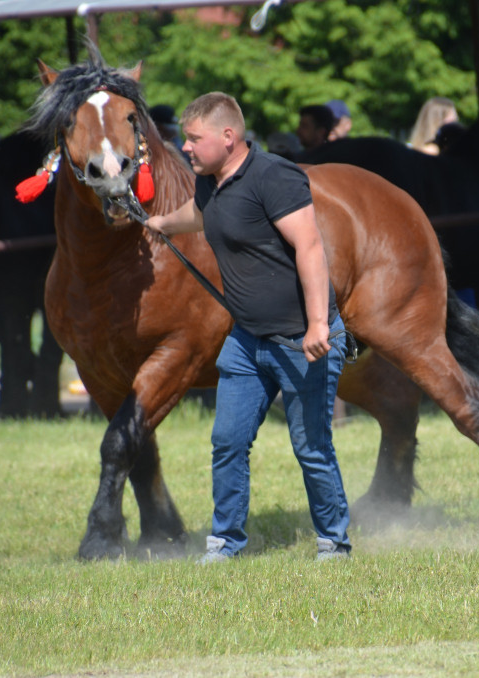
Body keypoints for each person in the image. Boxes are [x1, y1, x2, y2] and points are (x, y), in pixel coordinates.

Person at [146, 91, 352, 563]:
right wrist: (162, 222)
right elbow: (202, 216)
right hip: (246, 340)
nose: (187, 148)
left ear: (228, 136)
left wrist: (318, 323)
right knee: (227, 441)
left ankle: (334, 542)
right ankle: (225, 543)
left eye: (195, 139)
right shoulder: (210, 182)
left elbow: (311, 247)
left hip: (302, 340)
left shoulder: (273, 176)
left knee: (312, 447)